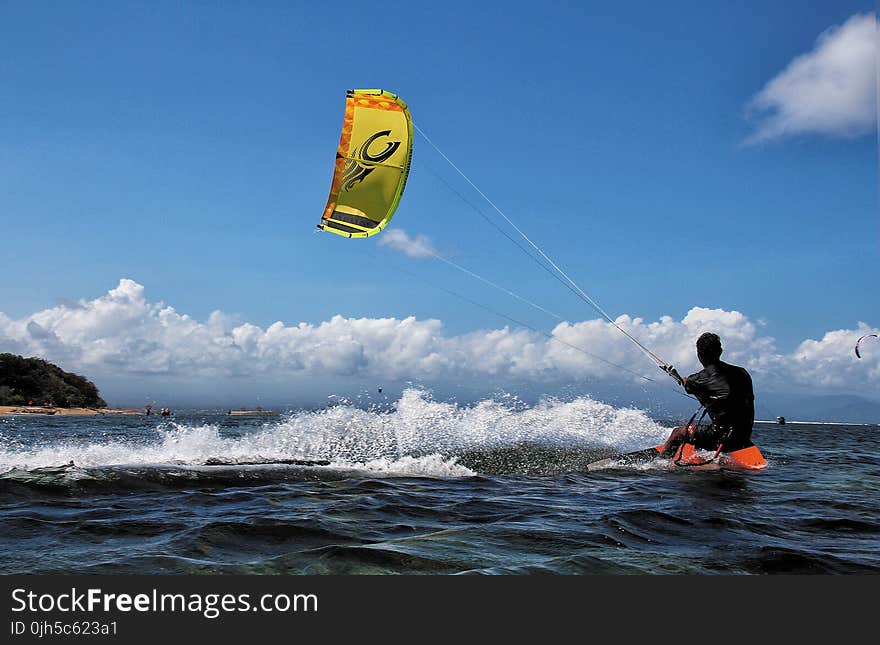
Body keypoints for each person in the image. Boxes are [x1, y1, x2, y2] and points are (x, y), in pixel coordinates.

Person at [659, 332, 755, 457]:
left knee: (678, 433)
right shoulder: (742, 373)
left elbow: (687, 383)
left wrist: (675, 376)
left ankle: (662, 464)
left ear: (699, 355)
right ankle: (704, 452)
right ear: (720, 351)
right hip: (744, 436)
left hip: (722, 438)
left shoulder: (699, 379)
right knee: (708, 429)